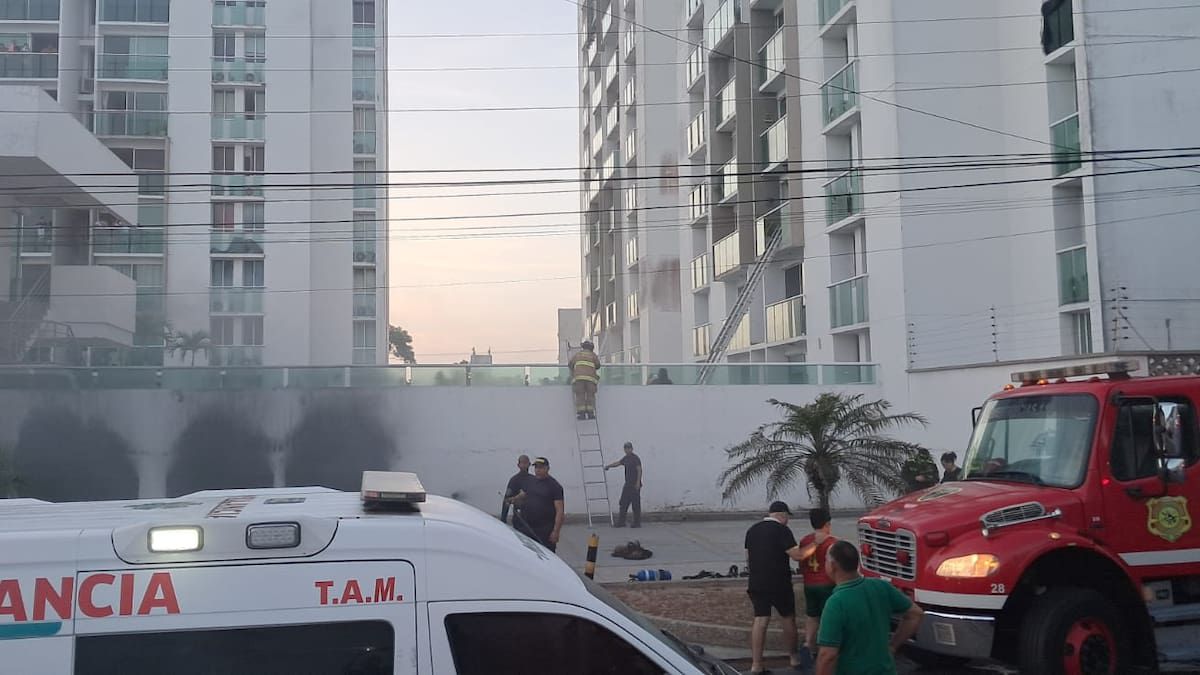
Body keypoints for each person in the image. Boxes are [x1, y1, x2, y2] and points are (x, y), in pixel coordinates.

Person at [816, 540, 925, 675]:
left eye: (825, 561)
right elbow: (915, 614)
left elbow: (827, 655)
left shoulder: (835, 603)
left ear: (832, 566)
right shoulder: (881, 586)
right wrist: (892, 646)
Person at [744, 501, 808, 674]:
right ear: (782, 515)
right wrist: (814, 546)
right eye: (787, 517)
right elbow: (797, 555)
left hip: (757, 582)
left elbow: (748, 558)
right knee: (788, 618)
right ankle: (793, 658)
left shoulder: (752, 530)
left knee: (761, 620)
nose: (788, 521)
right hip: (779, 582)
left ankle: (756, 664)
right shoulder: (782, 530)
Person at [795, 508, 837, 668]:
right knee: (828, 617)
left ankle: (807, 644)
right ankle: (826, 647)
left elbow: (801, 561)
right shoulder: (833, 542)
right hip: (827, 584)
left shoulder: (805, 540)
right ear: (827, 523)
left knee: (812, 615)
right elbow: (834, 566)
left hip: (809, 584)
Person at [516, 457, 565, 552]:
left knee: (546, 556)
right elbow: (523, 495)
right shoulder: (531, 482)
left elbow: (560, 511)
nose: (538, 470)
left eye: (541, 467)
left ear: (547, 468)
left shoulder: (555, 486)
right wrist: (513, 499)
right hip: (528, 528)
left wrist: (556, 532)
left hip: (545, 531)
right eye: (536, 467)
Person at [605, 441, 643, 528]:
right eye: (626, 448)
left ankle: (637, 523)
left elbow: (639, 470)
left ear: (632, 449)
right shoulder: (626, 458)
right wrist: (609, 466)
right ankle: (621, 522)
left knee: (635, 504)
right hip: (628, 484)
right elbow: (618, 463)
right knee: (623, 503)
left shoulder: (635, 458)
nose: (627, 450)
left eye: (629, 448)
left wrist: (638, 482)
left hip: (634, 485)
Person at [569, 341, 600, 420]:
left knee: (580, 395)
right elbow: (598, 365)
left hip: (579, 379)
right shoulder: (593, 355)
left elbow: (570, 364)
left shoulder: (578, 355)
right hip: (591, 380)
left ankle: (581, 414)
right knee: (590, 395)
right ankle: (590, 413)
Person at [499, 454, 531, 525]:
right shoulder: (514, 480)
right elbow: (506, 501)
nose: (524, 465)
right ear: (518, 465)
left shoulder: (534, 479)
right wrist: (503, 519)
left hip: (532, 518)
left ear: (529, 464)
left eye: (526, 463)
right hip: (519, 518)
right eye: (522, 463)